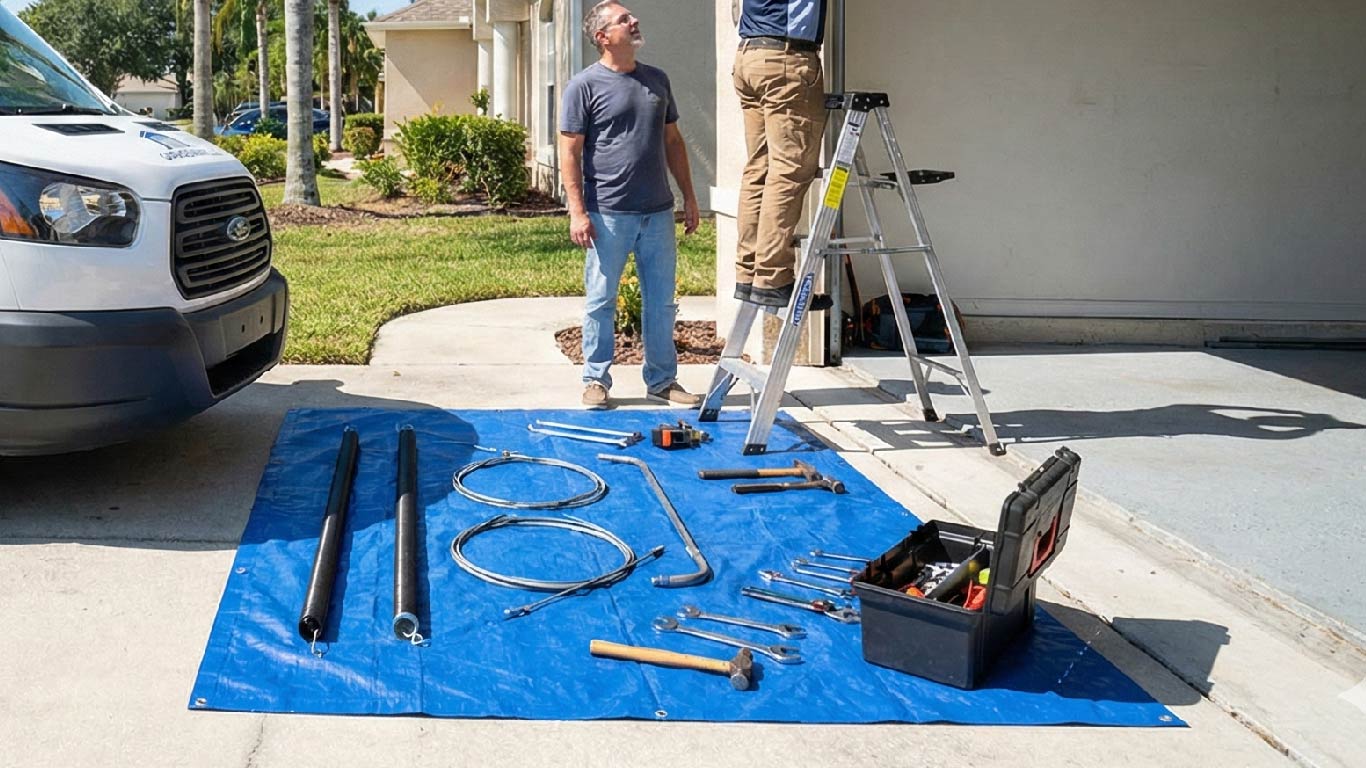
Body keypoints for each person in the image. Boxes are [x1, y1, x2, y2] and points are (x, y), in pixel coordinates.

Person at [560, 1, 702, 410]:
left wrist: (689, 197)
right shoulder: (583, 86)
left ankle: (662, 382)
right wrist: (577, 210)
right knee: (601, 299)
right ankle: (595, 380)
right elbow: (570, 151)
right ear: (603, 37)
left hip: (657, 211)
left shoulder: (657, 80)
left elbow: (673, 142)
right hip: (608, 213)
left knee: (661, 302)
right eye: (624, 19)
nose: (634, 21)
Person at [732, 0, 829, 307]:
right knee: (790, 169)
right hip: (785, 61)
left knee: (759, 169)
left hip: (749, 57)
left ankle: (748, 271)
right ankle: (773, 277)